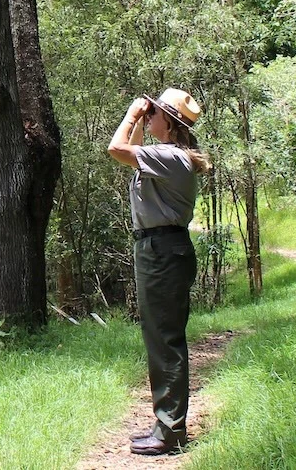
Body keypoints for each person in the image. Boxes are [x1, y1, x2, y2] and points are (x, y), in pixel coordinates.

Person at [106, 88, 211, 457]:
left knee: (165, 341)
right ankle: (165, 424)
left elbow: (116, 149)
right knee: (159, 338)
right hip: (158, 249)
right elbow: (130, 153)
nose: (150, 118)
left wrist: (133, 113)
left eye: (155, 114)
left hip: (163, 251)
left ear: (170, 122)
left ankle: (170, 431)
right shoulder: (164, 156)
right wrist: (140, 117)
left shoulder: (170, 157)